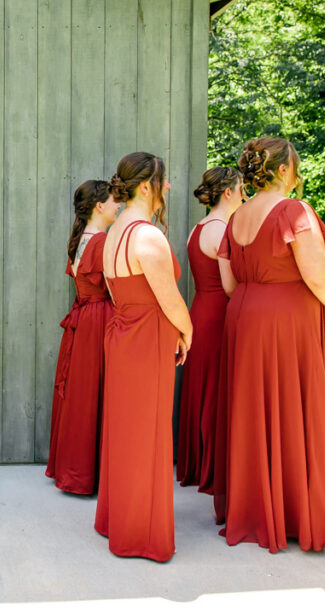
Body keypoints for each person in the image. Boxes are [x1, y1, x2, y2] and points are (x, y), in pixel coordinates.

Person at [214, 137, 325, 552]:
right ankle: (293, 511)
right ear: (280, 170)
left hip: (244, 315)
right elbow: (315, 272)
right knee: (292, 406)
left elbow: (228, 283)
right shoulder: (293, 210)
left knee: (254, 411)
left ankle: (257, 508)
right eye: (294, 165)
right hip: (287, 320)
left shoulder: (237, 217)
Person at [94, 152, 192, 562]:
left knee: (126, 429)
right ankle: (140, 533)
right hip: (146, 337)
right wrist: (188, 330)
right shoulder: (146, 236)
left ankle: (120, 518)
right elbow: (169, 299)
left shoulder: (115, 232)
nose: (168, 188)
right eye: (164, 181)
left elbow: (117, 293)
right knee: (147, 431)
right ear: (148, 185)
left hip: (122, 333)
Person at [46, 180, 119, 495]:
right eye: (115, 201)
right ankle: (91, 473)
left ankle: (75, 469)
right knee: (95, 394)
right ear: (100, 206)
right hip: (99, 319)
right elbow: (116, 290)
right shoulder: (101, 241)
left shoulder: (80, 239)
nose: (119, 205)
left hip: (83, 319)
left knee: (82, 394)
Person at [175, 167, 242, 491]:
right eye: (241, 188)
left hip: (199, 309)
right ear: (228, 192)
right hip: (217, 315)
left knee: (201, 388)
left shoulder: (197, 228)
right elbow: (230, 286)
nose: (244, 194)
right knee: (215, 391)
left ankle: (196, 463)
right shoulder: (221, 230)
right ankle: (213, 468)